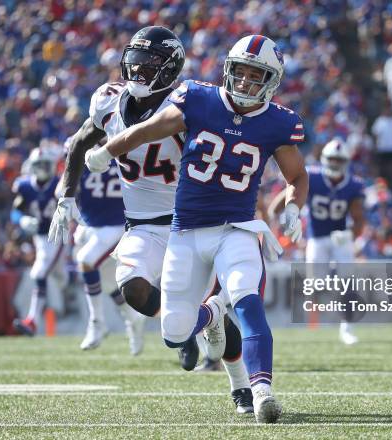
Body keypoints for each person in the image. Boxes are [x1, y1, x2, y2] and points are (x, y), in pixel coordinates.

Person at [85, 34, 309, 423]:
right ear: (228, 70)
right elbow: (147, 130)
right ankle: (210, 314)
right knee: (174, 332)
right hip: (185, 231)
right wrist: (108, 150)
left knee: (248, 302)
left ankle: (261, 392)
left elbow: (297, 175)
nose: (244, 83)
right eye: (240, 73)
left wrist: (293, 206)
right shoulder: (198, 98)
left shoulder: (279, 122)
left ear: (272, 81)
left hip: (237, 227)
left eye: (256, 77)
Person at [49, 26, 253, 414]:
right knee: (134, 291)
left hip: (190, 221)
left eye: (150, 63)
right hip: (142, 224)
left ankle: (240, 385)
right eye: (135, 61)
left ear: (170, 67)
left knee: (209, 303)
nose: (139, 70)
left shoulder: (188, 104)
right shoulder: (108, 101)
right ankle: (193, 325)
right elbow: (79, 143)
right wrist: (66, 196)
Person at [269, 137, 366, 344]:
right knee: (315, 284)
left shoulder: (354, 185)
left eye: (339, 160)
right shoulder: (313, 176)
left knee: (348, 281)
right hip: (317, 238)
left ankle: (347, 327)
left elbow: (359, 219)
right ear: (324, 159)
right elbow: (290, 193)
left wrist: (350, 235)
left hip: (341, 239)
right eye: (332, 159)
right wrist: (274, 214)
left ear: (346, 162)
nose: (335, 164)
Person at [57, 138, 146, 354]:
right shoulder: (83, 151)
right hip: (88, 226)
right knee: (107, 285)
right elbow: (61, 188)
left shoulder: (125, 148)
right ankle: (133, 319)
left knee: (86, 261)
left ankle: (97, 322)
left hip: (116, 225)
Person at [12, 147, 64, 335]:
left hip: (58, 236)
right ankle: (32, 321)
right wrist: (22, 219)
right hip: (40, 238)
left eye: (45, 164)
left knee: (43, 274)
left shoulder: (59, 184)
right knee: (44, 275)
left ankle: (33, 320)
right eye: (38, 165)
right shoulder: (24, 186)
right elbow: (15, 211)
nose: (42, 168)